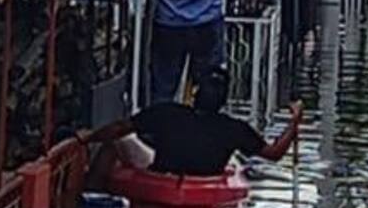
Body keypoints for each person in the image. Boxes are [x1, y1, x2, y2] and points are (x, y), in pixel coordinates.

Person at [85, 67, 301, 178]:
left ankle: (92, 194)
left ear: (195, 94)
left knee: (119, 140)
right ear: (223, 101)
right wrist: (294, 122)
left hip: (163, 178)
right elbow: (274, 153)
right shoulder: (234, 129)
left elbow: (120, 128)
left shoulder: (167, 112)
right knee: (235, 161)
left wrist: (87, 138)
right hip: (204, 180)